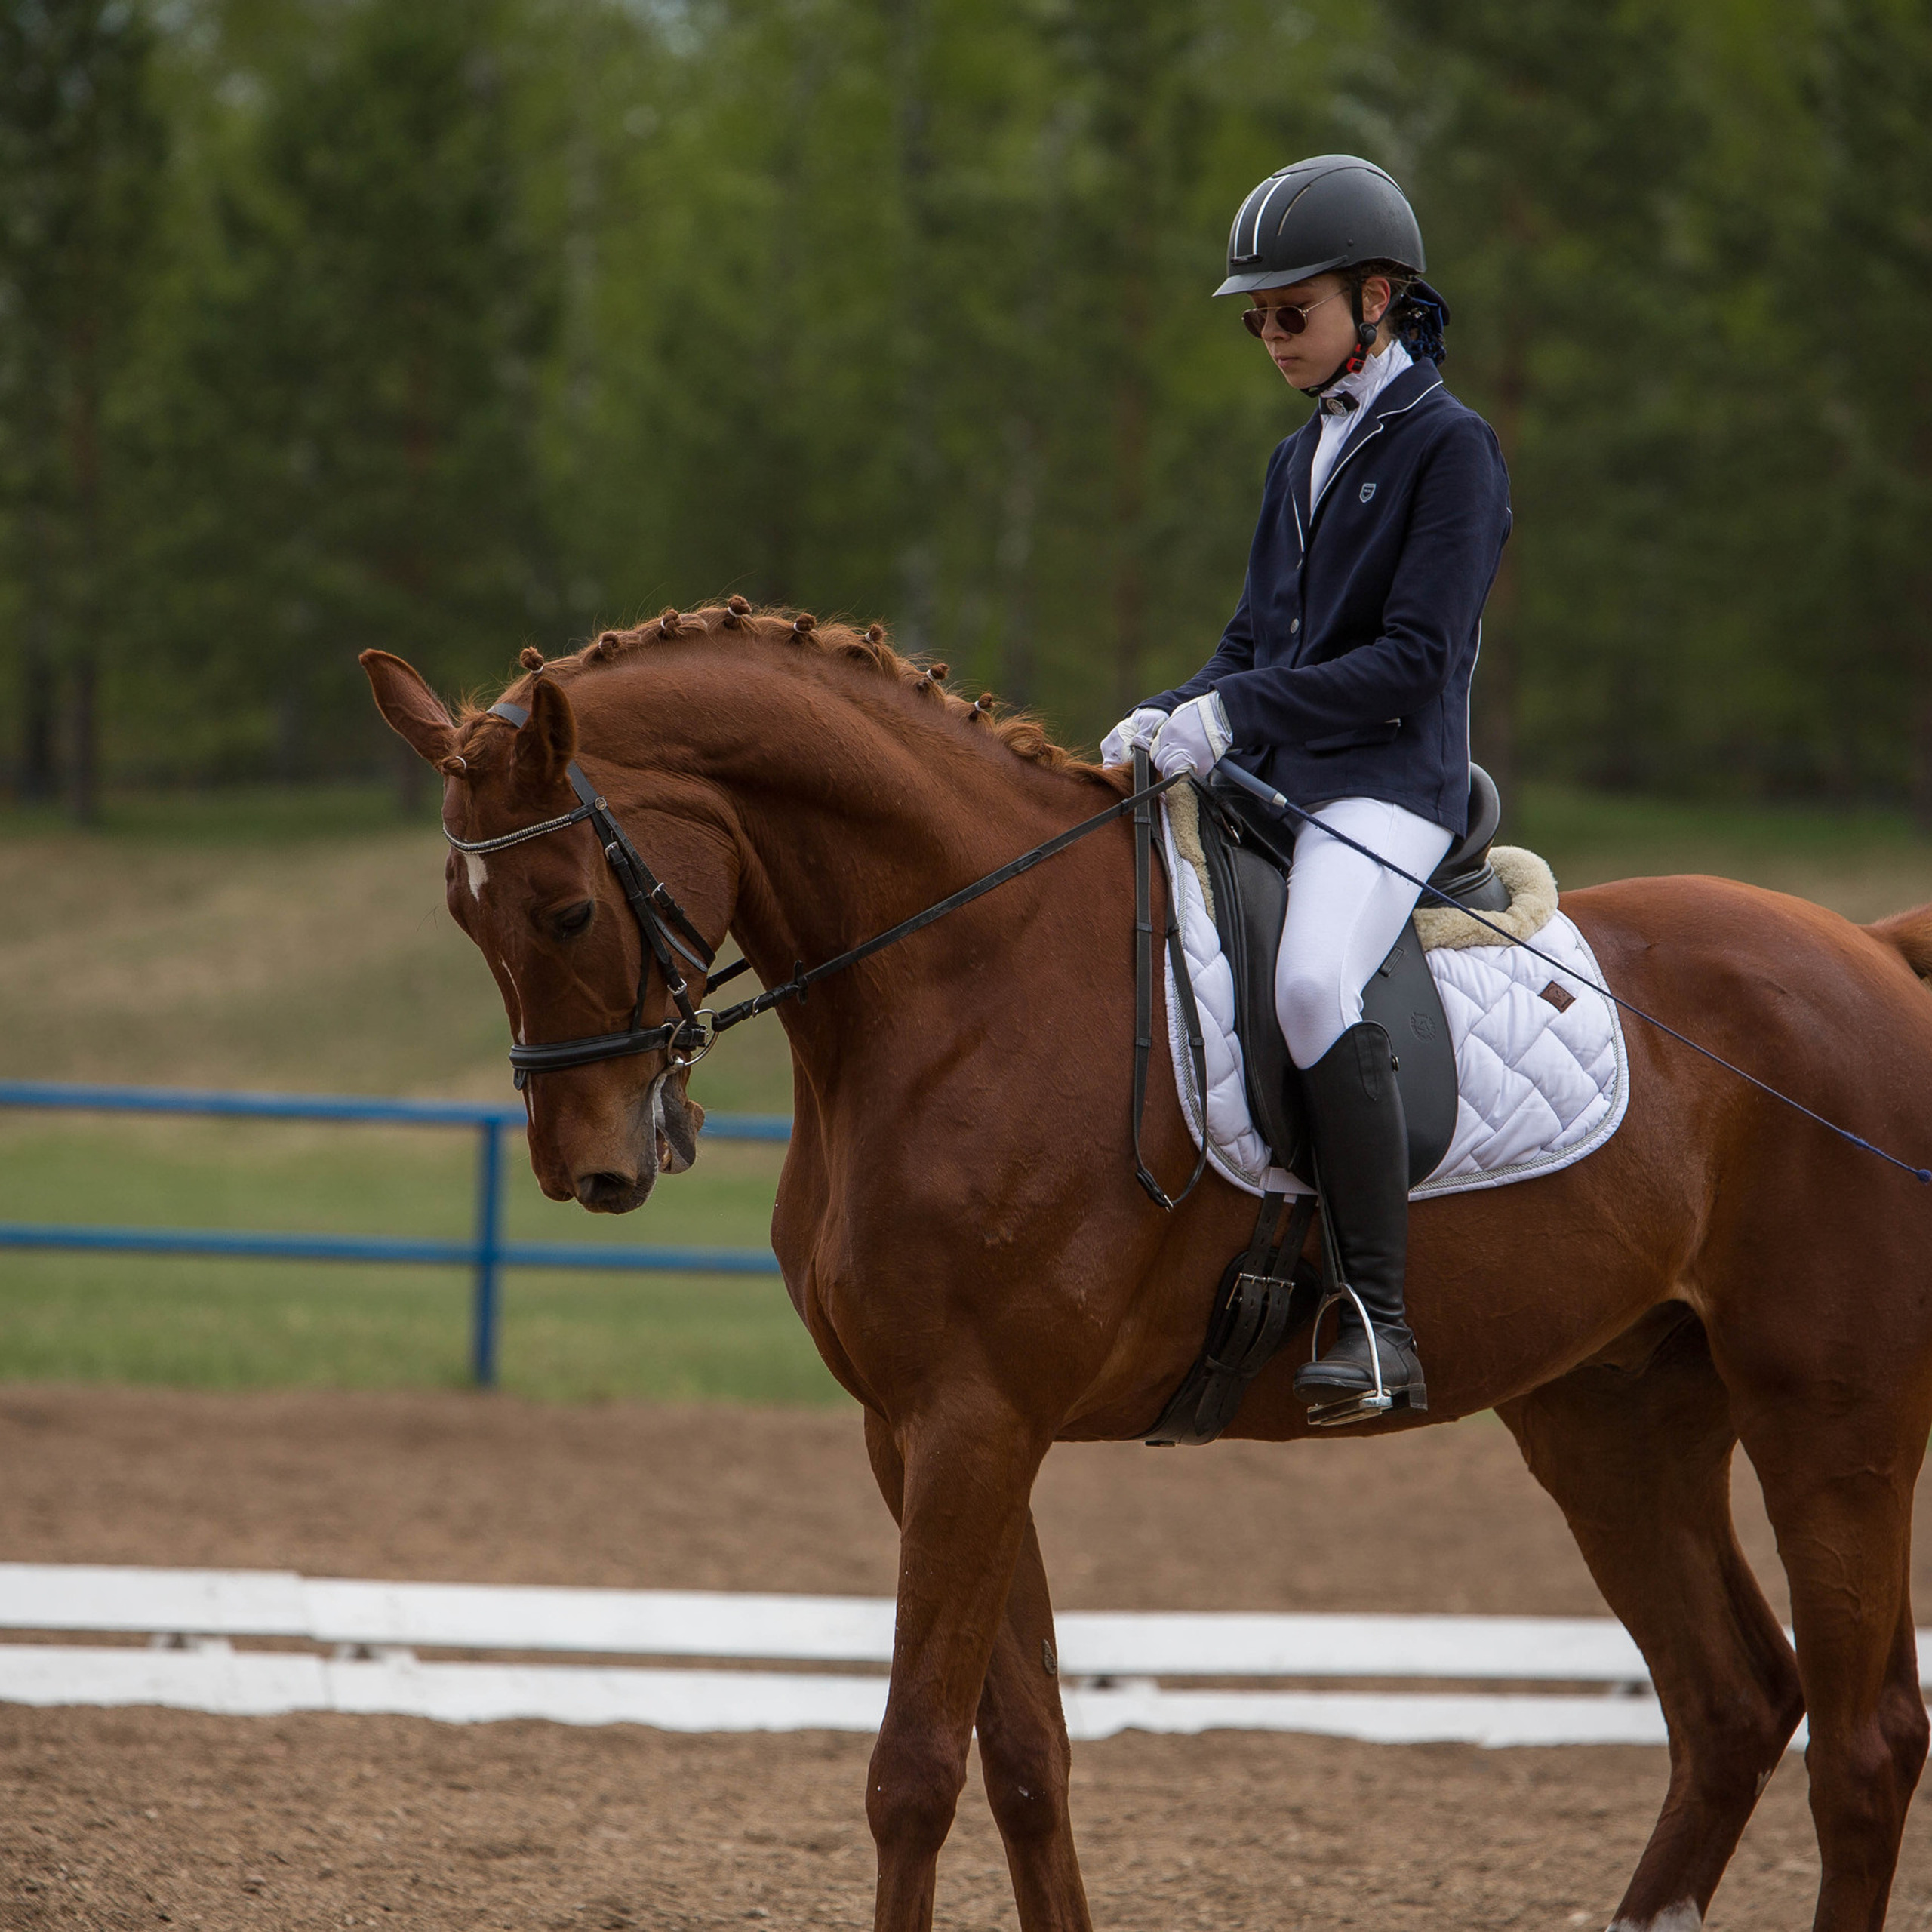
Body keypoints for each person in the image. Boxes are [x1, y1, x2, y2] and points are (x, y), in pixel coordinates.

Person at [1100, 154, 1511, 1417]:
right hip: (1282, 783)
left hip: (1389, 784)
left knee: (1314, 979)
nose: (1271, 337)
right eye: (1258, 318)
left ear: (1378, 300)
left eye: (1295, 312)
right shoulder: (1297, 462)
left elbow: (1412, 662)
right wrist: (1167, 711)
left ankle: (1379, 1322)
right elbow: (1252, 644)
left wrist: (1238, 714)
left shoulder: (1452, 449)